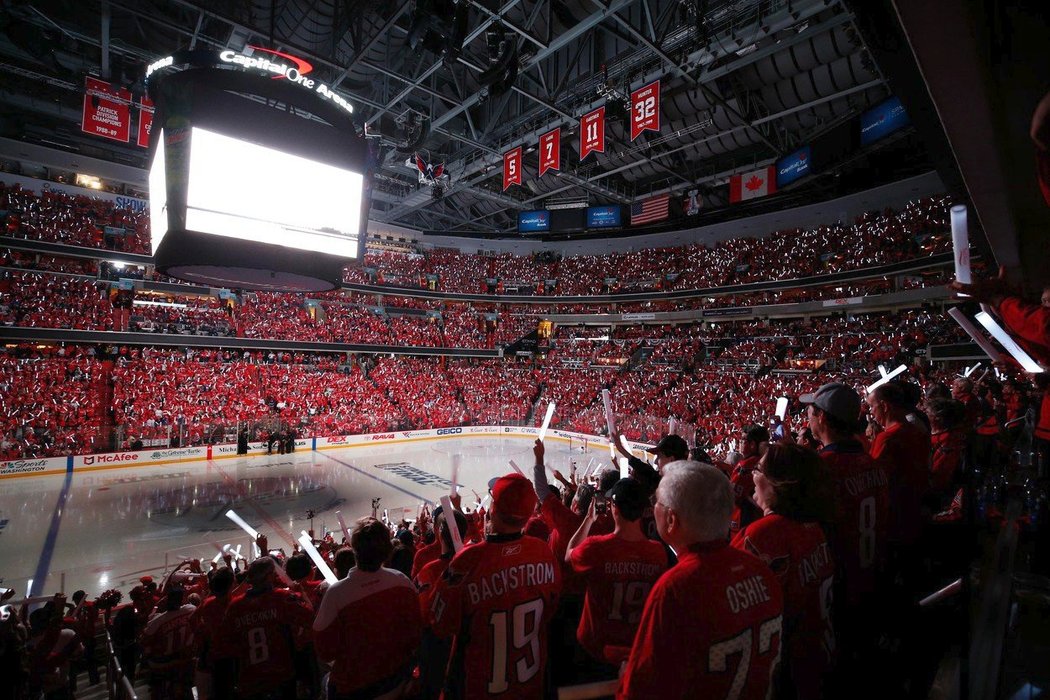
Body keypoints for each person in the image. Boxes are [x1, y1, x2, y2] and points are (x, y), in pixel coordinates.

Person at [618, 462, 784, 700]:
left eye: (657, 503)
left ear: (671, 520)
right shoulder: (761, 569)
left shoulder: (677, 587)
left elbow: (639, 691)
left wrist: (626, 675)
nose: (652, 507)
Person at [430, 471, 561, 699]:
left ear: (492, 508)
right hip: (531, 687)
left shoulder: (467, 561)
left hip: (479, 688)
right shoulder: (543, 552)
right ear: (530, 514)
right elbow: (550, 610)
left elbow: (438, 622)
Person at [801, 382, 888, 691]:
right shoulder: (872, 463)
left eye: (810, 412)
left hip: (836, 587)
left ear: (823, 418)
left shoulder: (821, 469)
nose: (807, 418)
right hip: (873, 579)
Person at [732, 443, 835, 700]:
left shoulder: (765, 535)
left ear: (778, 483)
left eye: (757, 470)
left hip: (786, 672)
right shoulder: (814, 527)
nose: (752, 476)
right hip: (819, 660)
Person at [565, 477, 669, 676]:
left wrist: (588, 520)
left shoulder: (596, 547)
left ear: (614, 507)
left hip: (594, 649)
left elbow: (569, 555)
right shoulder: (658, 553)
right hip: (635, 649)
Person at [314, 517, 422, 700]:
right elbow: (415, 634)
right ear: (388, 551)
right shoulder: (403, 582)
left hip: (353, 689)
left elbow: (324, 651)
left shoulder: (336, 594)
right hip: (395, 679)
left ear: (354, 550)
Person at [212, 556, 314, 700]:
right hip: (280, 674)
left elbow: (223, 643)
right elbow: (309, 616)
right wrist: (301, 592)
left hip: (250, 679)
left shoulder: (235, 606)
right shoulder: (281, 598)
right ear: (269, 577)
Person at [867, 381, 932, 585]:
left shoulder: (888, 438)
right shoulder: (916, 431)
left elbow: (873, 479)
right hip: (916, 512)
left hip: (894, 520)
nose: (870, 412)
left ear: (885, 406)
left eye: (872, 406)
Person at [139, 585, 197, 700]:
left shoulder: (157, 621)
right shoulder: (191, 609)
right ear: (182, 599)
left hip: (163, 663)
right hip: (186, 658)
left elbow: (143, 641)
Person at [729, 425, 769, 536]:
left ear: (752, 445)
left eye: (743, 440)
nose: (740, 443)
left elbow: (731, 494)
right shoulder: (769, 461)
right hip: (762, 518)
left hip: (743, 520)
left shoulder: (745, 465)